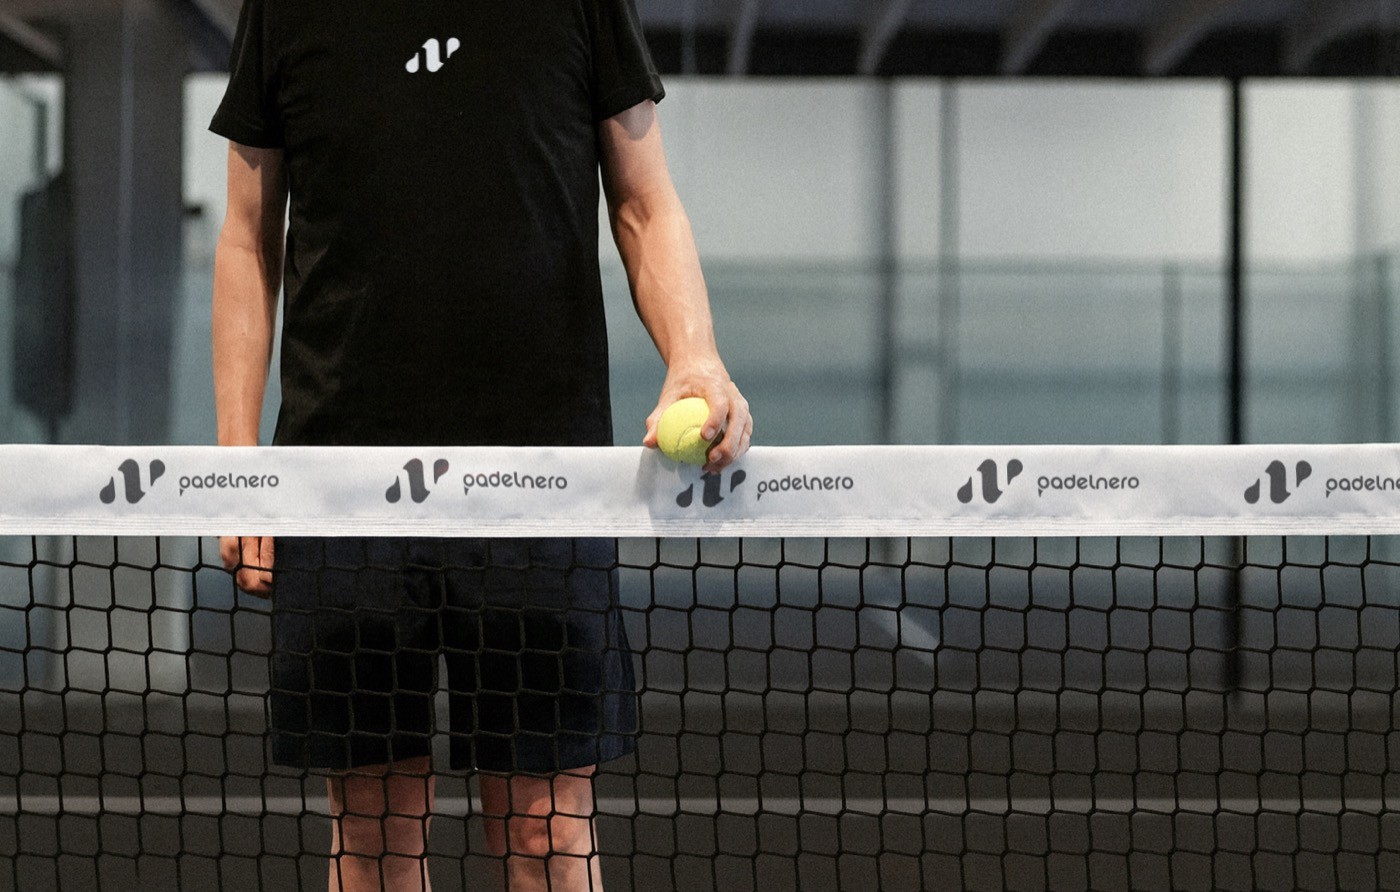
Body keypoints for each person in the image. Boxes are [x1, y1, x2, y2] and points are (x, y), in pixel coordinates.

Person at [208, 1, 752, 889]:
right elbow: (246, 235)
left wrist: (695, 354)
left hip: (545, 478)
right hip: (343, 477)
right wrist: (241, 469)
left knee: (545, 828)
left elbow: (647, 204)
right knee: (375, 827)